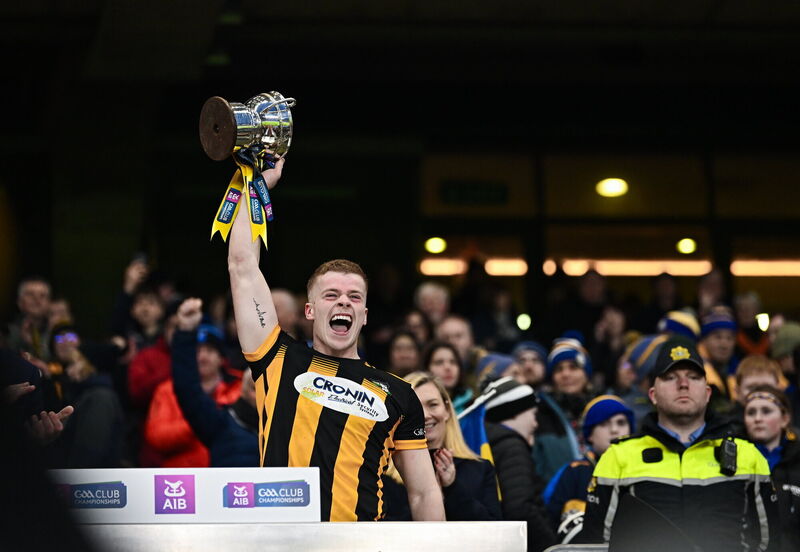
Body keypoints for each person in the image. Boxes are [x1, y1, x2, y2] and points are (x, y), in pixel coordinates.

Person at [226, 158, 443, 522]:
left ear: (365, 315)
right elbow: (242, 265)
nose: (343, 301)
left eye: (354, 297)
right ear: (309, 311)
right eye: (331, 295)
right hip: (280, 543)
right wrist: (258, 184)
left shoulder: (399, 393)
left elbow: (423, 492)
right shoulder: (276, 358)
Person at [579, 336, 775, 552]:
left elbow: (769, 544)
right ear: (652, 395)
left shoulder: (748, 456)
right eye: (670, 377)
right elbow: (595, 546)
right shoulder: (618, 457)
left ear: (708, 393)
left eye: (693, 377)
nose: (683, 384)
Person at [382, 372, 501, 521]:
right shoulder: (383, 474)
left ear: (447, 410)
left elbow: (493, 530)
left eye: (433, 404)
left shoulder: (481, 469)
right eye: (415, 407)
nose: (424, 415)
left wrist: (452, 488)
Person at [170, 298, 260, 467]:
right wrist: (186, 332)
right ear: (243, 390)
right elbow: (188, 390)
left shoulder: (285, 428)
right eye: (255, 388)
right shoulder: (221, 425)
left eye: (269, 390)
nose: (263, 396)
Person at [143, 323, 240, 467]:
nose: (202, 356)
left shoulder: (240, 387)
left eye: (209, 350)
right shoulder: (167, 390)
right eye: (197, 351)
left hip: (229, 474)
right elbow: (156, 436)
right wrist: (199, 420)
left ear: (221, 358)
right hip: (182, 479)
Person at [543, 395, 634, 544]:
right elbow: (551, 522)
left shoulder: (645, 469)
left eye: (621, 422)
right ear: (589, 434)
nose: (614, 430)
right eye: (604, 424)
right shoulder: (573, 472)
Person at [482, 377, 557, 552]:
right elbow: (520, 508)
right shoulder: (511, 447)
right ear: (513, 412)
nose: (535, 423)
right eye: (533, 414)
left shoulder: (491, 444)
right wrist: (552, 546)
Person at [744, 385, 800, 552]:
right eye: (751, 412)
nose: (757, 418)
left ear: (785, 418)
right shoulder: (733, 462)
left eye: (766, 411)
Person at [6, 276, 53, 361]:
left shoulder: (56, 332)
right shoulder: (7, 333)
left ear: (49, 303)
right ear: (19, 302)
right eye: (30, 294)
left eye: (42, 296)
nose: (37, 299)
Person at [422, 340, 474, 414]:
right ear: (426, 369)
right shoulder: (417, 408)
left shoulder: (474, 407)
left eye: (453, 362)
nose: (448, 367)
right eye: (439, 362)